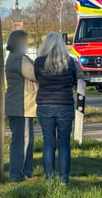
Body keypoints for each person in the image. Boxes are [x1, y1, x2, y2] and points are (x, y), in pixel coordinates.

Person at [34, 32, 77, 185]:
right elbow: (75, 80)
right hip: (64, 104)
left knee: (48, 143)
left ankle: (49, 179)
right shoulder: (69, 62)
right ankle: (64, 180)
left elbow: (38, 79)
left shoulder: (39, 62)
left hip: (45, 104)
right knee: (64, 143)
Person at [5, 30, 37, 182]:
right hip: (21, 106)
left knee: (25, 139)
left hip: (21, 105)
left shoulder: (15, 57)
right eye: (25, 41)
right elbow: (35, 74)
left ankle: (25, 172)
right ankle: (18, 174)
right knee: (22, 140)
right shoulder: (19, 58)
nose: (27, 43)